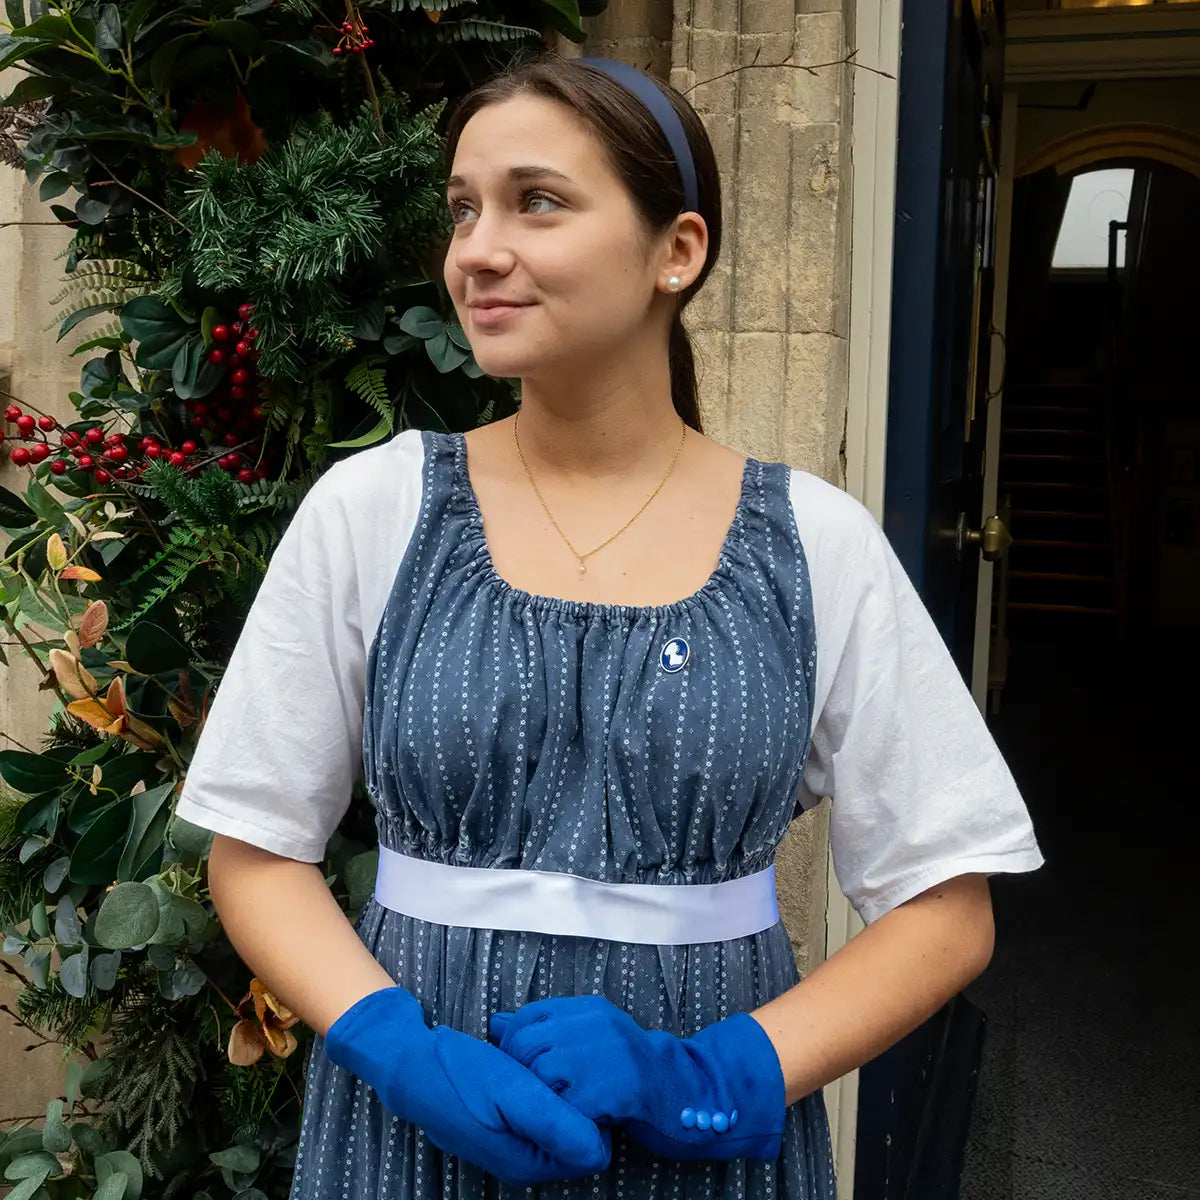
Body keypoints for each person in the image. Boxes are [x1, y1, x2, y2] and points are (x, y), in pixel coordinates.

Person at [174, 51, 1043, 1200]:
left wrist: (720, 1073)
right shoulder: (373, 510)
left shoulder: (814, 545)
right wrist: (396, 1048)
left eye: (538, 202)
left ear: (676, 252)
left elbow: (945, 903)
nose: (479, 249)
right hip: (410, 1140)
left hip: (703, 1153)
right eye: (464, 209)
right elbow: (257, 847)